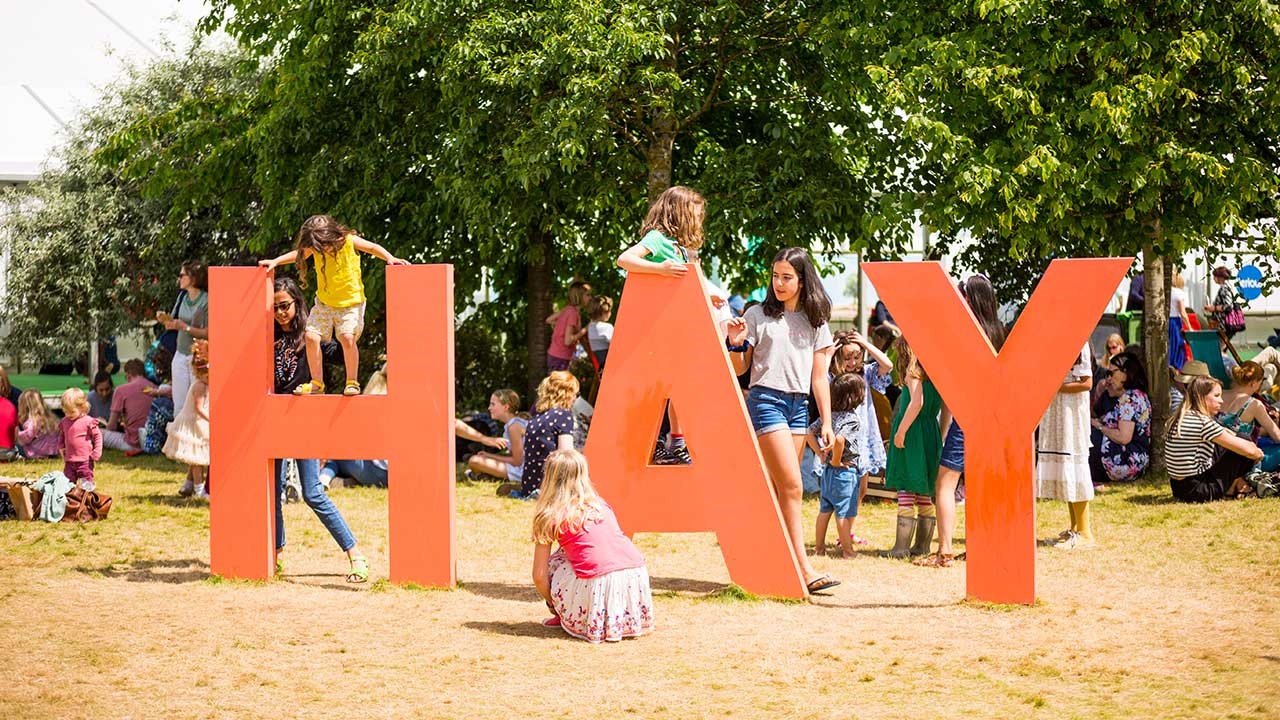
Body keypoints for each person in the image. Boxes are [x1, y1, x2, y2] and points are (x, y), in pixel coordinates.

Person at [725, 247, 839, 594]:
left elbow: (819, 378)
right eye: (775, 276)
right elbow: (741, 370)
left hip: (799, 406)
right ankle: (803, 568)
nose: (779, 283)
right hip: (766, 400)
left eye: (787, 277)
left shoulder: (816, 320)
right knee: (793, 485)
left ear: (803, 281)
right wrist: (734, 344)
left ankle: (772, 565)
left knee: (780, 490)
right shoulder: (757, 314)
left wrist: (828, 423)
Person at [268, 276, 369, 582]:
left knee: (312, 492)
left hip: (304, 419)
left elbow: (341, 354)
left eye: (284, 306)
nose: (280, 313)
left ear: (298, 304)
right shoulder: (266, 336)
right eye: (274, 308)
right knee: (271, 495)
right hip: (272, 420)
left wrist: (350, 331)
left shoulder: (311, 337)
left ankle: (355, 555)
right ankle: (276, 555)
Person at [259, 214, 408, 396]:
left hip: (350, 303)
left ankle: (352, 381)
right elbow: (297, 255)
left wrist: (389, 258)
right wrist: (276, 261)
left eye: (324, 245)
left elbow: (372, 247)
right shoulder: (316, 249)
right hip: (325, 304)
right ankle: (316, 383)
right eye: (316, 247)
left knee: (347, 337)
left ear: (331, 234)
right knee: (311, 337)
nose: (321, 250)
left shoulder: (348, 241)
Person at [916, 275, 1006, 568]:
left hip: (968, 419)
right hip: (993, 419)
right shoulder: (998, 333)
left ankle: (944, 552)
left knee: (944, 484)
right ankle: (984, 546)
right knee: (982, 486)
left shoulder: (966, 335)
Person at [616, 185, 708, 465]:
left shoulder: (680, 248)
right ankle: (657, 441)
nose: (699, 220)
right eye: (696, 214)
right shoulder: (657, 239)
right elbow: (624, 259)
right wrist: (660, 269)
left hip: (674, 328)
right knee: (657, 390)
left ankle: (676, 441)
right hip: (656, 330)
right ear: (679, 214)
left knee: (678, 390)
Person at [531, 449, 654, 643]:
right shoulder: (600, 505)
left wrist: (553, 602)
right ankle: (621, 620)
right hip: (634, 573)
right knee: (568, 553)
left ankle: (567, 614)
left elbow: (539, 576)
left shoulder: (549, 516)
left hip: (598, 579)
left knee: (554, 563)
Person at [829, 331, 893, 546]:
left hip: (864, 440)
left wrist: (864, 343)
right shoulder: (831, 376)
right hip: (843, 441)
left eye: (857, 356)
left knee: (862, 489)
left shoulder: (866, 373)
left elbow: (887, 365)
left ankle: (848, 531)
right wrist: (830, 353)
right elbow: (817, 372)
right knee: (844, 490)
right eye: (847, 357)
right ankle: (843, 536)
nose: (853, 362)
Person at [884, 336, 942, 560]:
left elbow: (915, 402)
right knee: (923, 489)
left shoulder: (913, 372)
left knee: (906, 486)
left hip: (912, 431)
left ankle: (900, 548)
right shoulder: (935, 373)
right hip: (930, 430)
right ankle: (922, 545)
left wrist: (901, 432)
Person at [1036, 342, 1096, 549]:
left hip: (1071, 410)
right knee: (1066, 468)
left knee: (1075, 466)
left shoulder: (1080, 342)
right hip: (1058, 408)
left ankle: (1085, 532)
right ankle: (1075, 528)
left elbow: (1087, 382)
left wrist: (1055, 386)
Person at [1165, 376, 1263, 502]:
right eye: (1217, 396)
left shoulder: (1181, 417)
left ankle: (1235, 484)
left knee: (1237, 441)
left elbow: (1228, 435)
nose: (1221, 401)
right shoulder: (1202, 422)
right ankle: (1232, 487)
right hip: (1198, 490)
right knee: (1244, 449)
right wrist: (1257, 454)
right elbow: (1249, 451)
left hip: (1178, 487)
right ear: (1201, 397)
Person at [808, 373, 865, 559]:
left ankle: (819, 549)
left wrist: (820, 453)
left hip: (827, 473)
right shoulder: (852, 419)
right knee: (843, 512)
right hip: (844, 472)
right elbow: (840, 439)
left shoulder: (829, 417)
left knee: (824, 511)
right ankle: (848, 551)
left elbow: (809, 432)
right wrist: (836, 460)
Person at [1089, 351, 1152, 485]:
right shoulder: (1131, 396)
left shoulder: (1130, 399)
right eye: (1107, 374)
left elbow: (1124, 437)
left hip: (1126, 461)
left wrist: (1098, 426)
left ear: (1126, 372)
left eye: (1112, 373)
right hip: (1129, 461)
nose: (1108, 379)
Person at [514, 371, 579, 499]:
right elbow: (566, 456)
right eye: (575, 394)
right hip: (549, 487)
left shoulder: (536, 418)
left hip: (529, 485)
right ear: (566, 394)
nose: (575, 398)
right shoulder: (563, 415)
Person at [158, 261, 209, 416]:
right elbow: (175, 321)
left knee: (196, 402)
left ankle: (196, 438)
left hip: (197, 357)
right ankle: (178, 437)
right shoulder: (182, 297)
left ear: (193, 278)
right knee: (179, 404)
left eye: (182, 275)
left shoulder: (206, 300)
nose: (179, 278)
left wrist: (185, 327)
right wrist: (167, 321)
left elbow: (208, 333)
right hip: (180, 354)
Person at [163, 341, 210, 499]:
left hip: (198, 422)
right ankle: (198, 488)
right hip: (194, 423)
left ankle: (188, 484)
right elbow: (198, 408)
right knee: (197, 459)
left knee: (196, 456)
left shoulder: (204, 384)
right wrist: (212, 419)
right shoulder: (200, 386)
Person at [1217, 361, 1280, 472]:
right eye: (1260, 383)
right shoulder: (1254, 404)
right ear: (1254, 383)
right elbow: (1277, 436)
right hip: (1240, 463)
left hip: (1215, 457)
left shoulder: (1219, 394)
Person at [468, 388, 528, 485]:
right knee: (477, 460)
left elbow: (517, 461)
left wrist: (490, 456)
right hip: (520, 467)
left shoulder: (514, 427)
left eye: (493, 404)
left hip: (522, 472)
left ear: (506, 407)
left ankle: (489, 476)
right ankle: (488, 475)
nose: (489, 408)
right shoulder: (512, 424)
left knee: (474, 461)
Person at [101, 359, 156, 453]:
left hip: (132, 443)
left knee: (98, 433)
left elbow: (111, 427)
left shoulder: (121, 390)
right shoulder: (155, 388)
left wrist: (103, 423)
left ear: (128, 374)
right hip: (153, 442)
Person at [58, 388, 102, 491]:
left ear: (82, 407)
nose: (68, 415)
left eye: (71, 412)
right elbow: (62, 435)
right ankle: (71, 502)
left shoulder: (88, 421)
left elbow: (97, 436)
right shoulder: (65, 421)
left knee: (86, 484)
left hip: (85, 460)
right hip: (70, 460)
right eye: (65, 412)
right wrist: (60, 447)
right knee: (67, 484)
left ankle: (86, 501)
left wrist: (97, 451)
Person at [546, 281, 592, 374]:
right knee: (559, 387)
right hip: (560, 357)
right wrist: (586, 329)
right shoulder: (573, 313)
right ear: (579, 296)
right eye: (588, 295)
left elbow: (549, 320)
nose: (590, 298)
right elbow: (568, 341)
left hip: (554, 354)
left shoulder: (568, 309)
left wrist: (561, 326)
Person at [16, 389, 59, 459]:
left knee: (15, 446)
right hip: (52, 451)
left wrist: (17, 434)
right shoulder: (49, 418)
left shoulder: (33, 421)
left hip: (36, 452)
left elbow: (27, 437)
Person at [1203, 266, 1242, 339]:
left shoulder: (1224, 288)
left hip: (1223, 324)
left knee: (1220, 347)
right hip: (1224, 324)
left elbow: (1228, 306)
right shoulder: (1228, 286)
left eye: (1214, 276)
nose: (1213, 278)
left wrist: (1213, 308)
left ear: (1220, 277)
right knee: (1222, 346)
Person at [1169, 271, 1191, 370]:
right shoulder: (1179, 293)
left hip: (1166, 322)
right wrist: (1190, 328)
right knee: (1177, 346)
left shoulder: (1164, 292)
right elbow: (1183, 313)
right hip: (1175, 322)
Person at [585, 295, 614, 369]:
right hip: (612, 365)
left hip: (601, 367)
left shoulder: (590, 327)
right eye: (609, 311)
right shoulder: (606, 327)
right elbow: (617, 344)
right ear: (604, 312)